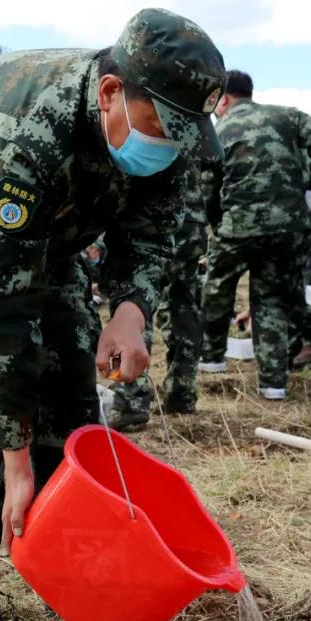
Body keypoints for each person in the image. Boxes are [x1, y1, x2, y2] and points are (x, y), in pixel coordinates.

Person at [0, 8, 225, 621]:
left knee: (73, 398)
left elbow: (154, 229)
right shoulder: (21, 130)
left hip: (50, 232)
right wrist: (14, 457)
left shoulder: (166, 124)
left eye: (184, 133)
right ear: (110, 93)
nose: (171, 143)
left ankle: (59, 554)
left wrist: (130, 312)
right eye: (162, 128)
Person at [198, 70, 311, 398]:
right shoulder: (286, 116)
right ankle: (274, 383)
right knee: (272, 297)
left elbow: (208, 182)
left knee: (218, 286)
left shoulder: (221, 129)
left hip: (239, 225)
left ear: (225, 98)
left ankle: (212, 358)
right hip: (288, 226)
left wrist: (216, 222)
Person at [107, 162, 215, 430]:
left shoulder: (147, 128)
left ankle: (132, 401)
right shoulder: (194, 129)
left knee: (136, 304)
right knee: (185, 305)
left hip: (152, 220)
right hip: (192, 225)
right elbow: (214, 179)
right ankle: (183, 392)